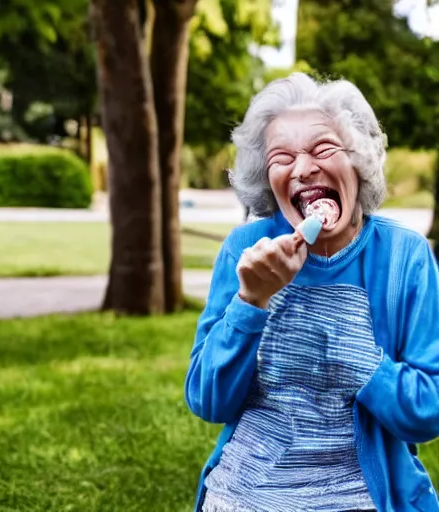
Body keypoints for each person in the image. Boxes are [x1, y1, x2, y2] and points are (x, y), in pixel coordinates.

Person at [184, 73, 439, 512]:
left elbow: (427, 411)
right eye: (282, 157)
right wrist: (251, 302)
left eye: (322, 149)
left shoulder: (405, 255)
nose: (302, 169)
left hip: (362, 495)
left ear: (358, 161)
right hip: (248, 492)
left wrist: (355, 354)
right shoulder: (245, 250)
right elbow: (208, 400)